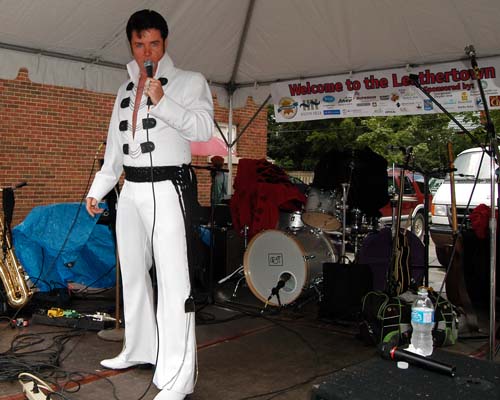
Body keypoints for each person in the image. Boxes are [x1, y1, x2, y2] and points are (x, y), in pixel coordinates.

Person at [85, 9, 213, 400]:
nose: (146, 51)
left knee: (175, 283)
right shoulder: (124, 89)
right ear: (131, 45)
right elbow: (114, 148)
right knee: (134, 275)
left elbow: (205, 130)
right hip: (131, 191)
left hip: (168, 189)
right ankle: (140, 349)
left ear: (165, 43)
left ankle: (177, 377)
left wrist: (164, 101)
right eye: (139, 44)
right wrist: (99, 187)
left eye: (153, 43)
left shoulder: (191, 82)